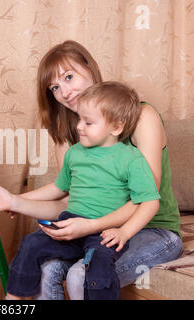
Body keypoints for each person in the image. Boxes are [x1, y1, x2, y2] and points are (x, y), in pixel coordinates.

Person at [0, 81, 161, 299]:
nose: (79, 127)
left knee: (98, 266)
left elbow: (149, 201)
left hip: (104, 231)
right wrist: (14, 199)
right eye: (79, 119)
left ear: (116, 127)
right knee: (32, 243)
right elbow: (59, 187)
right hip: (71, 223)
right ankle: (13, 298)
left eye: (89, 122)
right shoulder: (75, 153)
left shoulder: (131, 159)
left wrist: (124, 232)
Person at [31, 40, 182, 300]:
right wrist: (14, 201)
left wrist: (90, 225)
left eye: (69, 77)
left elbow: (144, 199)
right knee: (46, 268)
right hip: (95, 232)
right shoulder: (69, 134)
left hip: (152, 228)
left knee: (83, 274)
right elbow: (68, 198)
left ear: (91, 68)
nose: (64, 92)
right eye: (55, 87)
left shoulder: (142, 116)